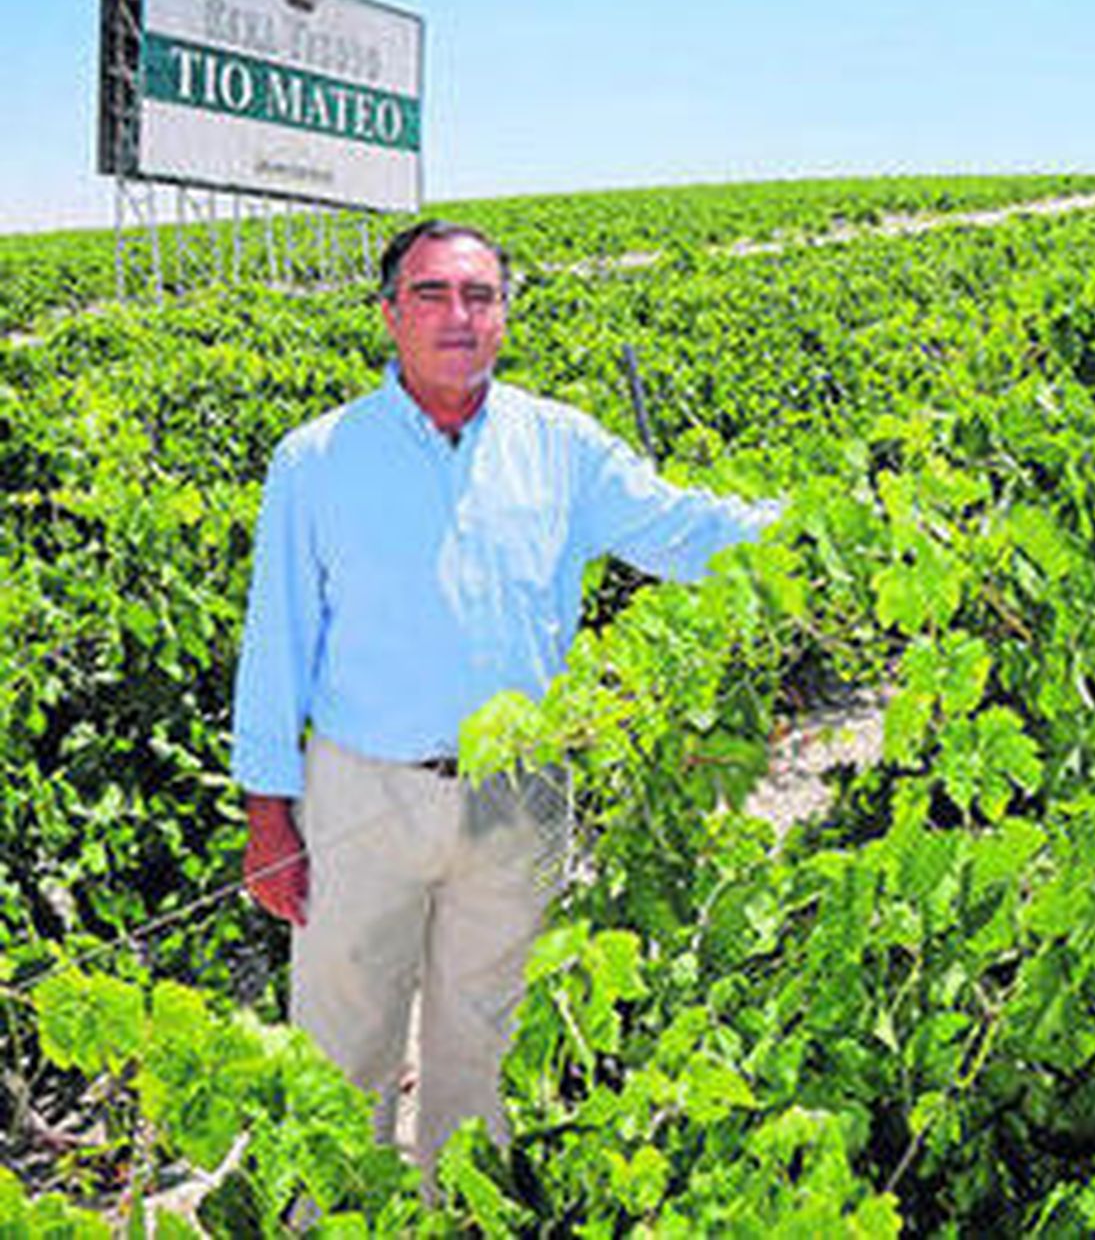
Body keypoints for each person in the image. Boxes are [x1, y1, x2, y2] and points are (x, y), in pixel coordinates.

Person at [234, 219, 776, 1180]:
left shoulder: (561, 445)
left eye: (480, 297)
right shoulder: (316, 459)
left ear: (506, 316)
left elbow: (682, 529)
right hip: (365, 790)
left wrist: (809, 528)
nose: (459, 316)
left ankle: (465, 1210)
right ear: (390, 312)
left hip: (520, 793)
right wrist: (268, 814)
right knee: (339, 1046)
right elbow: (276, 642)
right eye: (434, 294)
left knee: (490, 1041)